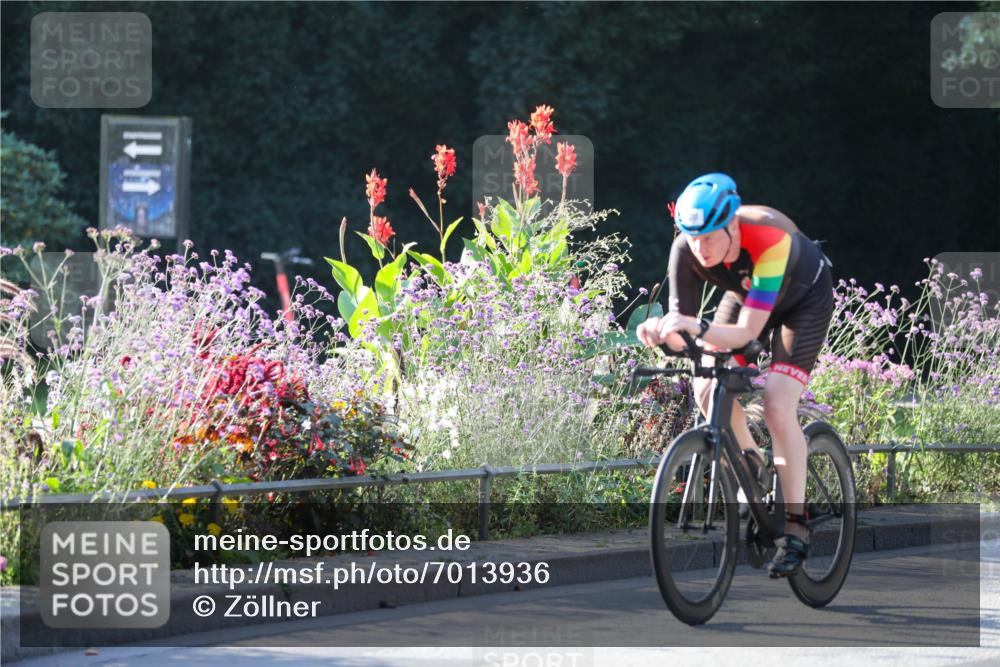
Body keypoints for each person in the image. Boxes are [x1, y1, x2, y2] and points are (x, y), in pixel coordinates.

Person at [636, 172, 834, 578]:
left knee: (777, 405)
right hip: (748, 295)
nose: (700, 248)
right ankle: (753, 465)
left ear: (732, 225)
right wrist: (658, 332)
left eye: (709, 237)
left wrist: (692, 328)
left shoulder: (768, 237)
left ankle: (796, 526)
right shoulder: (685, 249)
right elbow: (685, 336)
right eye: (692, 237)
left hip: (803, 301)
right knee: (707, 387)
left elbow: (745, 332)